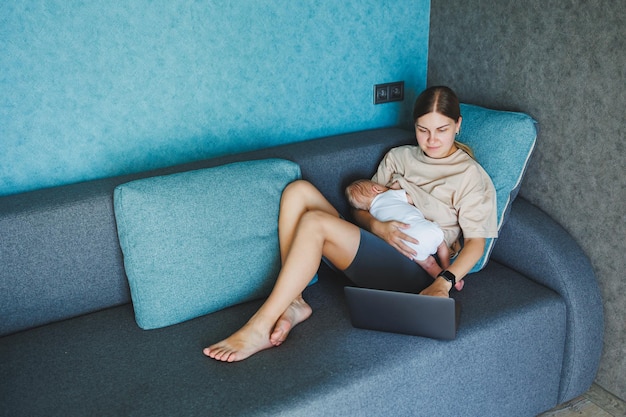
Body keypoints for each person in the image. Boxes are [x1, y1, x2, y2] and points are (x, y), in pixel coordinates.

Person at [204, 85, 497, 362]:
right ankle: (294, 302)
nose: (432, 140)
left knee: (315, 222)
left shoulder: (470, 176)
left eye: (442, 130)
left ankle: (260, 325)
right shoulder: (399, 157)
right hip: (375, 242)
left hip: (415, 266)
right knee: (297, 191)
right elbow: (361, 210)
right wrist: (380, 228)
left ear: (458, 125)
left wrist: (443, 284)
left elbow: (476, 244)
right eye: (423, 130)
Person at [344, 179, 464, 291]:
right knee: (442, 247)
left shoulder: (372, 214)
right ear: (376, 189)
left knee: (429, 264)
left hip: (409, 245)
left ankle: (447, 284)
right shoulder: (389, 195)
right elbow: (412, 199)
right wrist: (394, 189)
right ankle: (450, 271)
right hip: (427, 231)